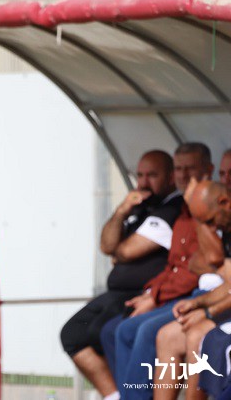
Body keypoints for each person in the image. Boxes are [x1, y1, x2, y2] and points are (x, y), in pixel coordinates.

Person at [60, 150, 182, 400]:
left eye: (152, 175)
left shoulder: (174, 207)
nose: (144, 182)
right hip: (115, 292)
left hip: (142, 293)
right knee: (72, 334)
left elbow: (126, 251)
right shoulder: (138, 208)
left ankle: (133, 395)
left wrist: (119, 251)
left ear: (171, 177)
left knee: (107, 332)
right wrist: (121, 211)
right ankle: (115, 396)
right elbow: (107, 246)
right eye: (140, 175)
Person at [100, 142, 214, 400]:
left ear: (208, 170)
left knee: (146, 331)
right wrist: (152, 292)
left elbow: (199, 269)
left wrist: (156, 296)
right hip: (178, 294)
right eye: (179, 169)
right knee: (115, 329)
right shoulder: (183, 211)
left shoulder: (210, 207)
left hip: (199, 296)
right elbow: (174, 265)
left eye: (190, 168)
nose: (184, 175)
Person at [153, 151, 231, 400]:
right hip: (217, 299)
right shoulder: (223, 224)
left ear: (224, 202)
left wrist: (207, 312)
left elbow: (216, 264)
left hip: (223, 310)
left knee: (197, 336)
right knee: (165, 336)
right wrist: (198, 303)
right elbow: (198, 263)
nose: (211, 229)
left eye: (209, 222)